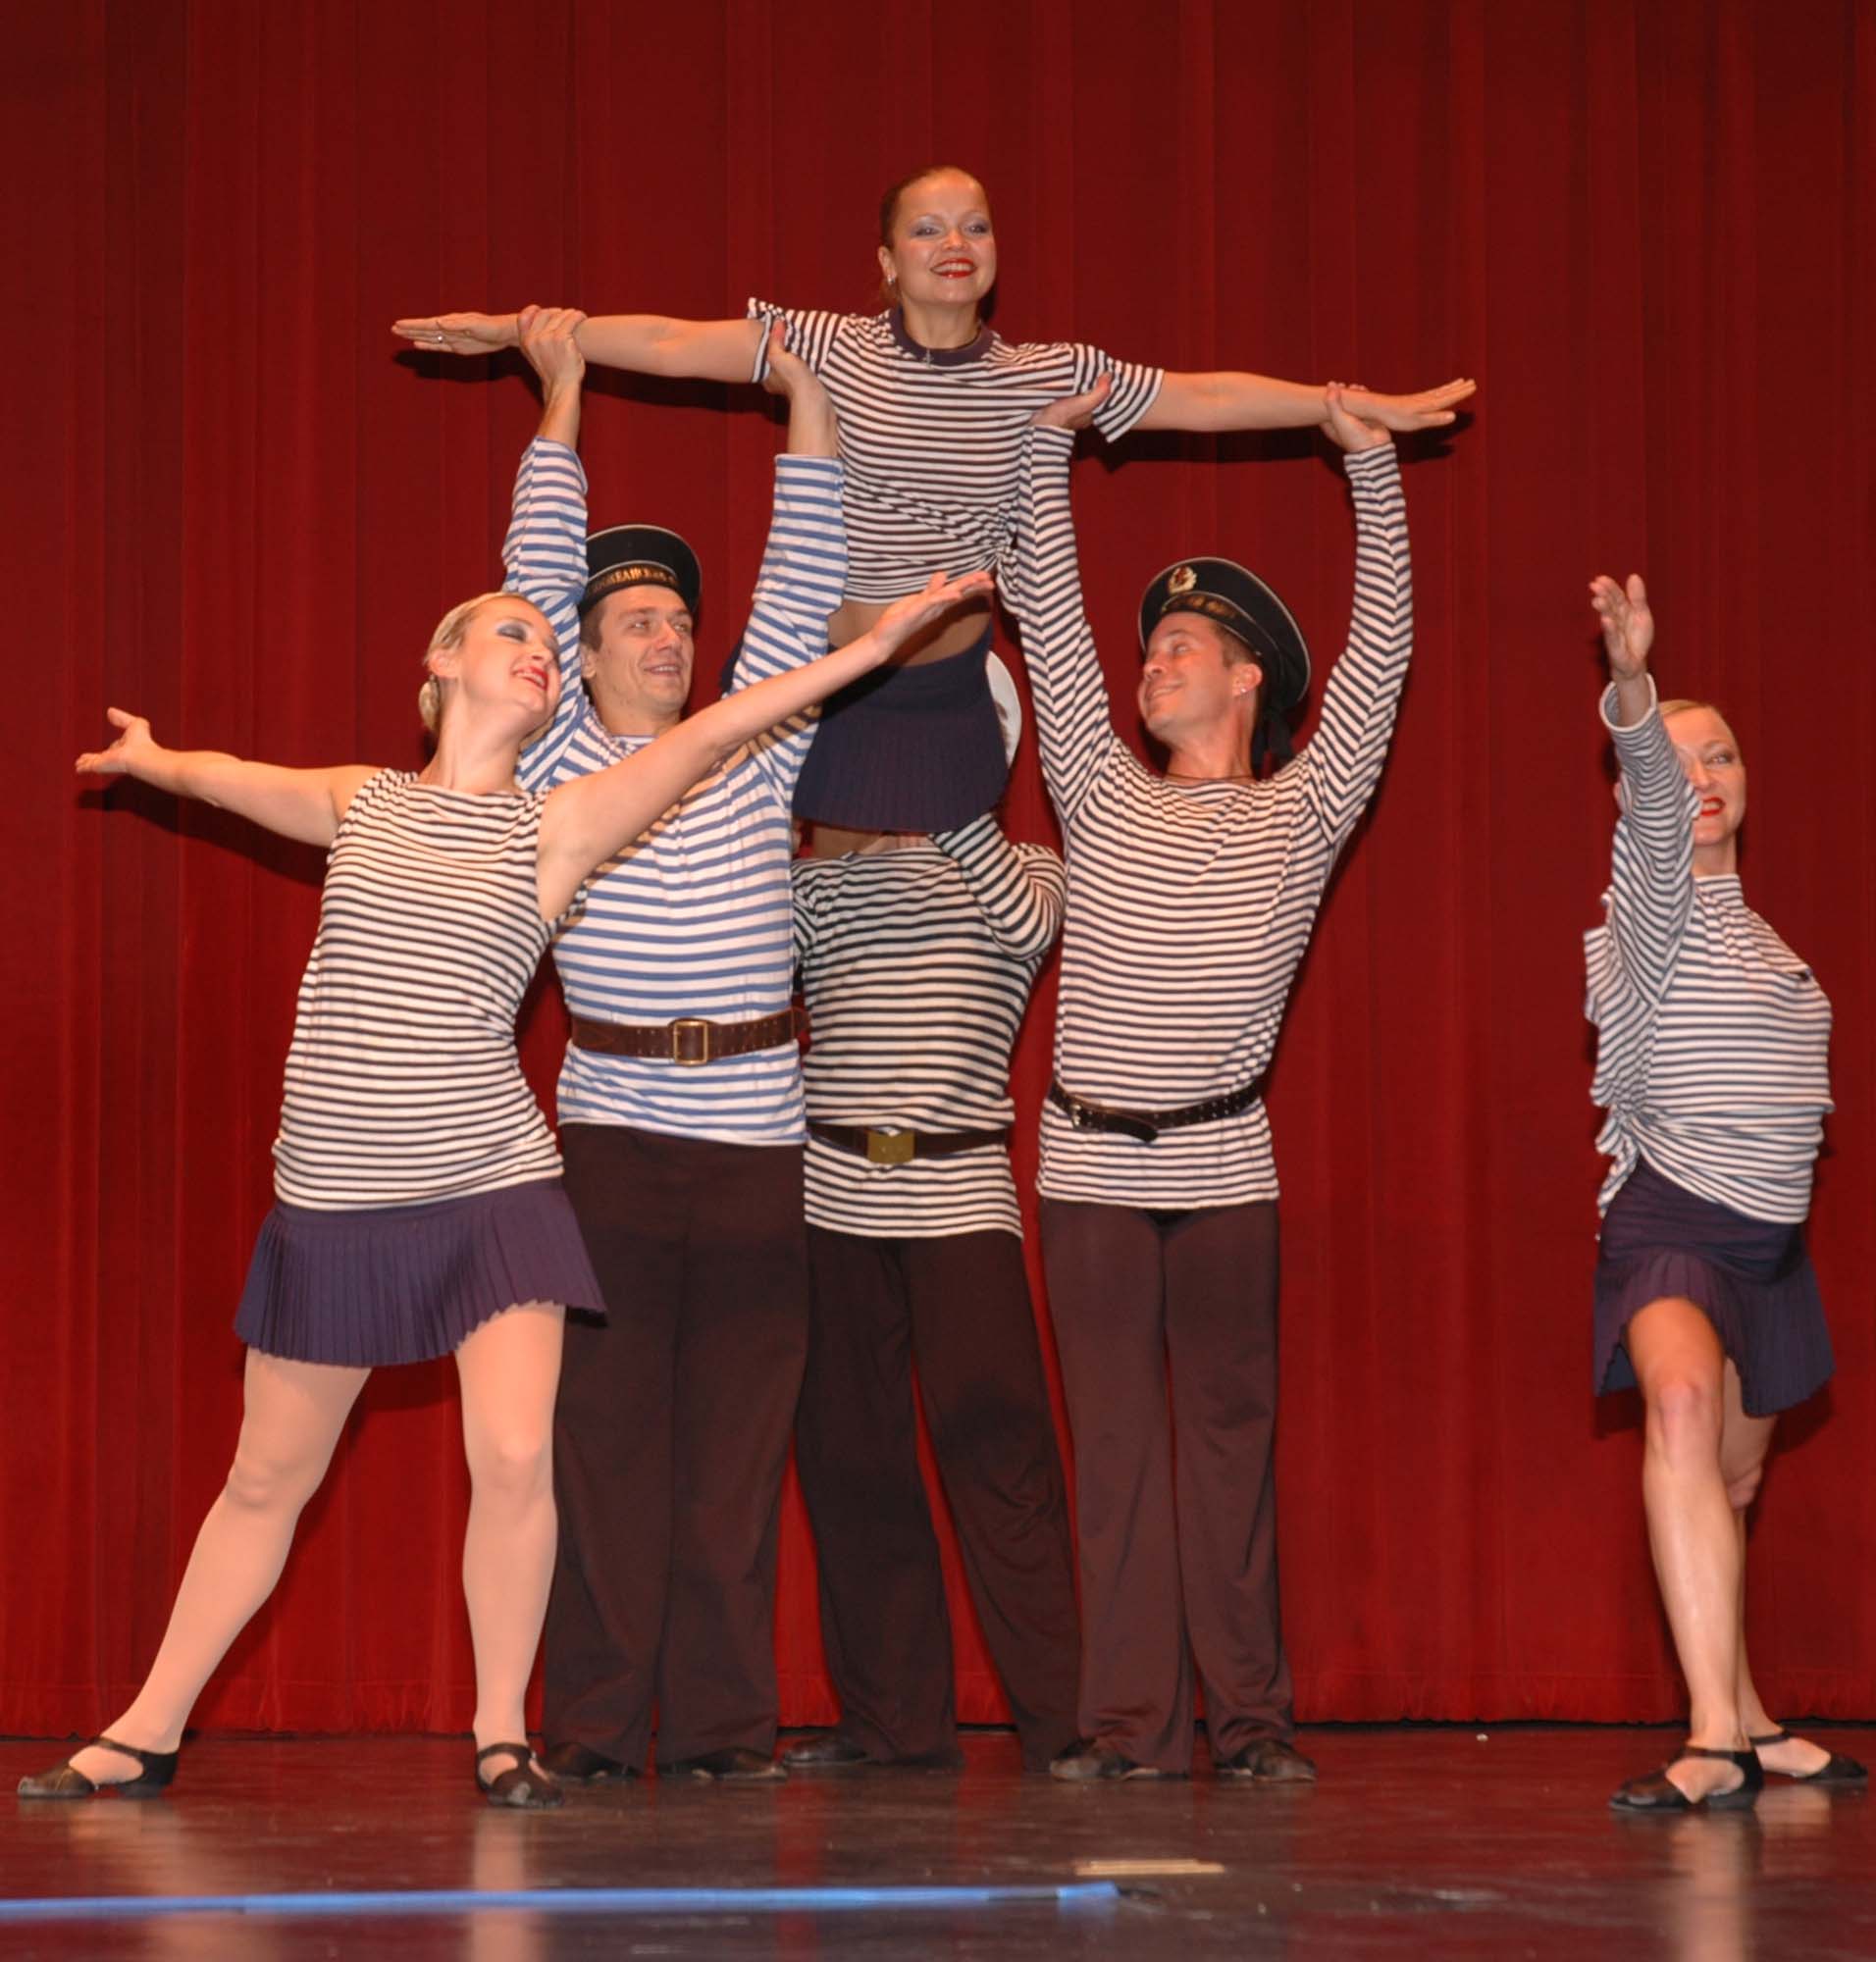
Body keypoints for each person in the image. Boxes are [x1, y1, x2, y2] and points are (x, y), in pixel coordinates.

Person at [20, 550, 981, 1810]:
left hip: (494, 1186)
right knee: (266, 1477)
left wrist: (874, 647)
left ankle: (496, 1731)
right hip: (337, 1194)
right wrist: (154, 759)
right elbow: (229, 779)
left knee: (518, 1452)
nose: (534, 647)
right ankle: (145, 1727)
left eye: (546, 639)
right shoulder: (361, 799)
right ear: (440, 664)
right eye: (510, 629)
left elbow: (723, 730)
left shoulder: (558, 823)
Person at [392, 164, 1471, 831]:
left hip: (944, 699)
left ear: (994, 253)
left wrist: (1348, 403)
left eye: (975, 227)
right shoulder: (829, 344)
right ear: (886, 258)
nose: (955, 246)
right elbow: (671, 342)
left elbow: (1207, 395)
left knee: (934, 927)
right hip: (820, 693)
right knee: (787, 906)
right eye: (927, 229)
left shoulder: (1041, 374)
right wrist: (513, 332)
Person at [997, 377, 1411, 1781]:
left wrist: (1372, 472)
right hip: (1090, 1171)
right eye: (1150, 648)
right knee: (1112, 1459)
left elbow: (1380, 663)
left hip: (1228, 1170)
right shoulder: (1102, 795)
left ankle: (1253, 1729)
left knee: (1229, 1458)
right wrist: (1045, 450)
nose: (1149, 664)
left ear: (1248, 679)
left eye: (1180, 646)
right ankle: (1128, 1730)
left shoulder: (1304, 808)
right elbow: (1048, 624)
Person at [487, 310, 858, 1783]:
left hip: (763, 1146)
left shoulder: (753, 739)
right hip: (615, 1147)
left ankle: (719, 1732)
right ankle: (587, 1727)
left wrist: (807, 394)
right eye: (632, 620)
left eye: (676, 622)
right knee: (610, 1449)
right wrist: (565, 394)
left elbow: (810, 556)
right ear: (580, 657)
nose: (665, 634)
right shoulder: (563, 758)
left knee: (734, 1464)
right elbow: (528, 580)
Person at [1586, 574, 1861, 1812]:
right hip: (1671, 1224)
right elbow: (1653, 794)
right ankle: (1711, 1739)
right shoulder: (1649, 913)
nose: (1705, 772)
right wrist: (1636, 686)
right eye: (1681, 758)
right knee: (1682, 1405)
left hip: (1771, 1250)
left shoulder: (1777, 946)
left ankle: (1744, 1706)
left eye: (1726, 754)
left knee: (1737, 1480)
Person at [784, 676, 1078, 1776]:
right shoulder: (814, 886)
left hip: (960, 1196)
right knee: (852, 1464)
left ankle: (1063, 1725)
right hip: (828, 1194)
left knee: (1002, 1457)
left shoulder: (1028, 872)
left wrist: (938, 748)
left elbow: (1021, 917)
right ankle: (892, 1723)